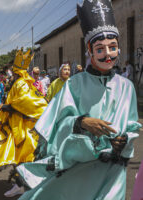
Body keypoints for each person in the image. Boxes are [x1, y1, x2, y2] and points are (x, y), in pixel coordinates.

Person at [16, 0, 141, 199]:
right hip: (80, 168)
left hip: (114, 171)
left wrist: (124, 140)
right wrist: (82, 122)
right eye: (100, 49)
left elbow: (132, 125)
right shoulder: (74, 84)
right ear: (89, 51)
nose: (108, 54)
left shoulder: (127, 86)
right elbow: (56, 125)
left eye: (113, 47)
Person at [0, 49, 48, 197]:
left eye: (11, 70)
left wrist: (8, 106)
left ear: (16, 71)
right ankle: (22, 184)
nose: (10, 72)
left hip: (23, 127)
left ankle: (21, 185)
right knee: (18, 155)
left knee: (22, 156)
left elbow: (27, 102)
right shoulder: (22, 82)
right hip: (18, 125)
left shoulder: (21, 83)